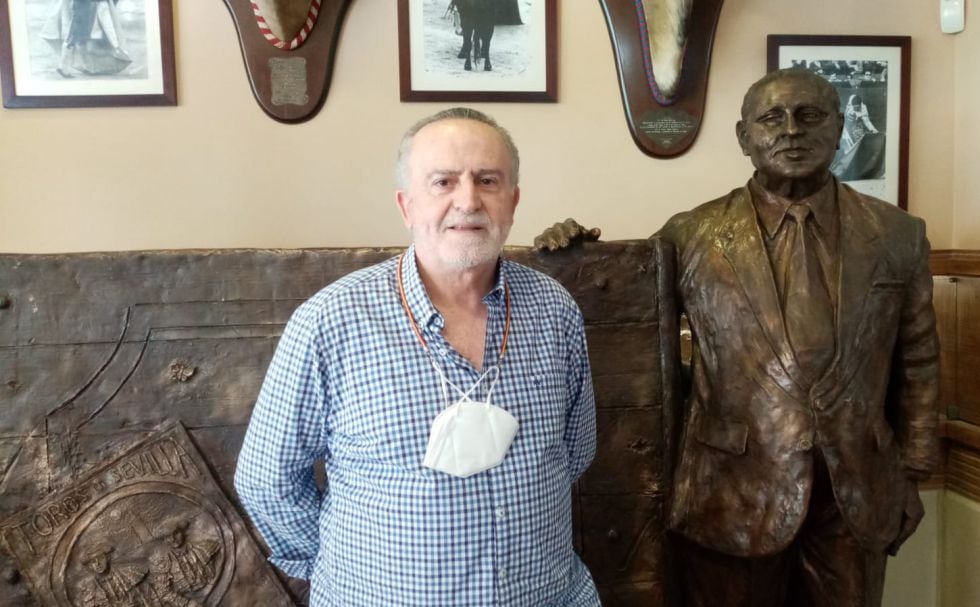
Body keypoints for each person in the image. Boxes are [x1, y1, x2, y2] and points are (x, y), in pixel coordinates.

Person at [535, 68, 939, 607]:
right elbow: (623, 317)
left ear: (840, 127)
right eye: (773, 118)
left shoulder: (897, 235)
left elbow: (919, 361)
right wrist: (574, 259)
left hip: (855, 491)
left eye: (810, 115)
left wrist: (913, 472)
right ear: (744, 137)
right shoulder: (691, 234)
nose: (791, 130)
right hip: (731, 490)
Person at [235, 107, 601, 606]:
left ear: (512, 202)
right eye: (443, 182)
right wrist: (347, 569)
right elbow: (266, 481)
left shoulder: (553, 311)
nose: (468, 200)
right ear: (406, 205)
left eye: (487, 180)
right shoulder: (330, 322)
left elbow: (573, 452)